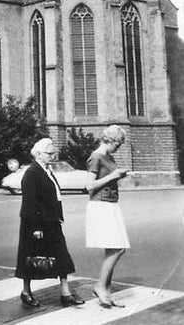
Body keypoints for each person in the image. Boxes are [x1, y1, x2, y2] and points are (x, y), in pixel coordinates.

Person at [14, 137, 84, 308]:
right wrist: (36, 227)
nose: (52, 156)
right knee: (30, 258)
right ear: (38, 154)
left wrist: (58, 216)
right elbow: (30, 203)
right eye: (49, 153)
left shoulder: (46, 170)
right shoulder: (32, 173)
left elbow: (55, 196)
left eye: (53, 153)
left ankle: (66, 294)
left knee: (61, 255)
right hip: (35, 224)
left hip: (51, 222)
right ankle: (25, 292)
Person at [86, 124, 130, 308]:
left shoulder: (108, 157)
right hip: (101, 205)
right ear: (109, 140)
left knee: (113, 248)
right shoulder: (95, 157)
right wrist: (113, 176)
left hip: (111, 204)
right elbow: (89, 186)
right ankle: (100, 286)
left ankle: (107, 291)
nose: (118, 148)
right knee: (118, 248)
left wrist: (116, 176)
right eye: (118, 144)